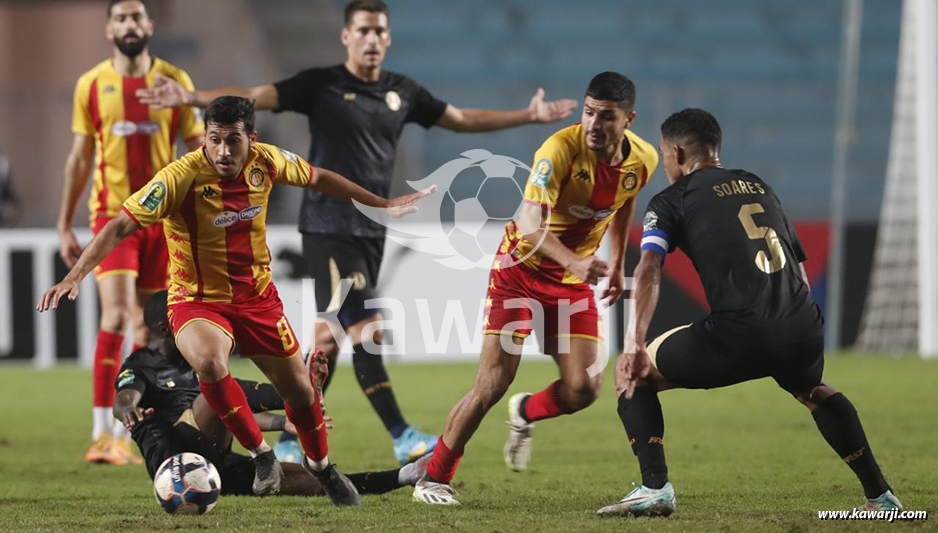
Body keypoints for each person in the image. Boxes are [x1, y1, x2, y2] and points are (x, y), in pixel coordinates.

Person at [135, 0, 578, 465]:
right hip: (329, 225)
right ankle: (402, 433)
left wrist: (527, 116)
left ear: (388, 38)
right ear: (346, 36)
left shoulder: (402, 91)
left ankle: (289, 438)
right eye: (362, 30)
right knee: (367, 327)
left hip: (371, 230)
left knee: (328, 337)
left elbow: (461, 119)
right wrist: (191, 97)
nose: (371, 38)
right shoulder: (320, 84)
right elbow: (253, 96)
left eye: (379, 30)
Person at [38, 95, 432, 505]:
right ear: (204, 138)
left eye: (233, 141)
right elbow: (120, 225)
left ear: (251, 138)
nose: (223, 151)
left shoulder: (268, 161)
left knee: (302, 394)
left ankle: (322, 467)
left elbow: (318, 178)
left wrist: (381, 204)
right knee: (209, 362)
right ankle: (262, 454)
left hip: (258, 300)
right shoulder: (179, 177)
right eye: (214, 140)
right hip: (196, 302)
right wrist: (75, 275)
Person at [596, 108, 900, 517]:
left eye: (666, 154)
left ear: (678, 151)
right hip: (802, 324)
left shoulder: (673, 198)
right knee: (815, 391)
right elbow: (798, 266)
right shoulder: (759, 186)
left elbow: (650, 265)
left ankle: (655, 489)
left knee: (633, 373)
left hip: (741, 333)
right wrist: (796, 321)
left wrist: (634, 342)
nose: (666, 162)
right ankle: (881, 498)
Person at [413, 72, 658, 505]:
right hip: (520, 272)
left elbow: (624, 202)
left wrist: (618, 263)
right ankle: (433, 478)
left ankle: (526, 412)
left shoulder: (644, 159)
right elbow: (528, 224)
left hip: (569, 280)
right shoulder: (559, 150)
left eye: (606, 116)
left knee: (584, 389)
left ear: (629, 120)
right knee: (491, 383)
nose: (593, 125)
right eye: (588, 112)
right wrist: (576, 260)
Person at [58, 0, 204, 464]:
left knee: (148, 327)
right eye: (120, 18)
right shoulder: (92, 84)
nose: (129, 25)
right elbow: (80, 158)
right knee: (117, 316)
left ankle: (141, 430)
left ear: (149, 25)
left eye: (136, 17)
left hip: (164, 221)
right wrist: (64, 223)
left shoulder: (175, 81)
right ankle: (102, 433)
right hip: (113, 219)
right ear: (109, 29)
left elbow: (197, 148)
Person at [113, 290, 430, 497]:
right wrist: (128, 408)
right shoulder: (140, 364)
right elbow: (125, 397)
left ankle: (403, 475)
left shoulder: (193, 358)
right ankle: (296, 388)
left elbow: (230, 410)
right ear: (165, 327)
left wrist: (282, 424)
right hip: (172, 457)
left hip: (215, 460)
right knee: (216, 387)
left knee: (310, 481)